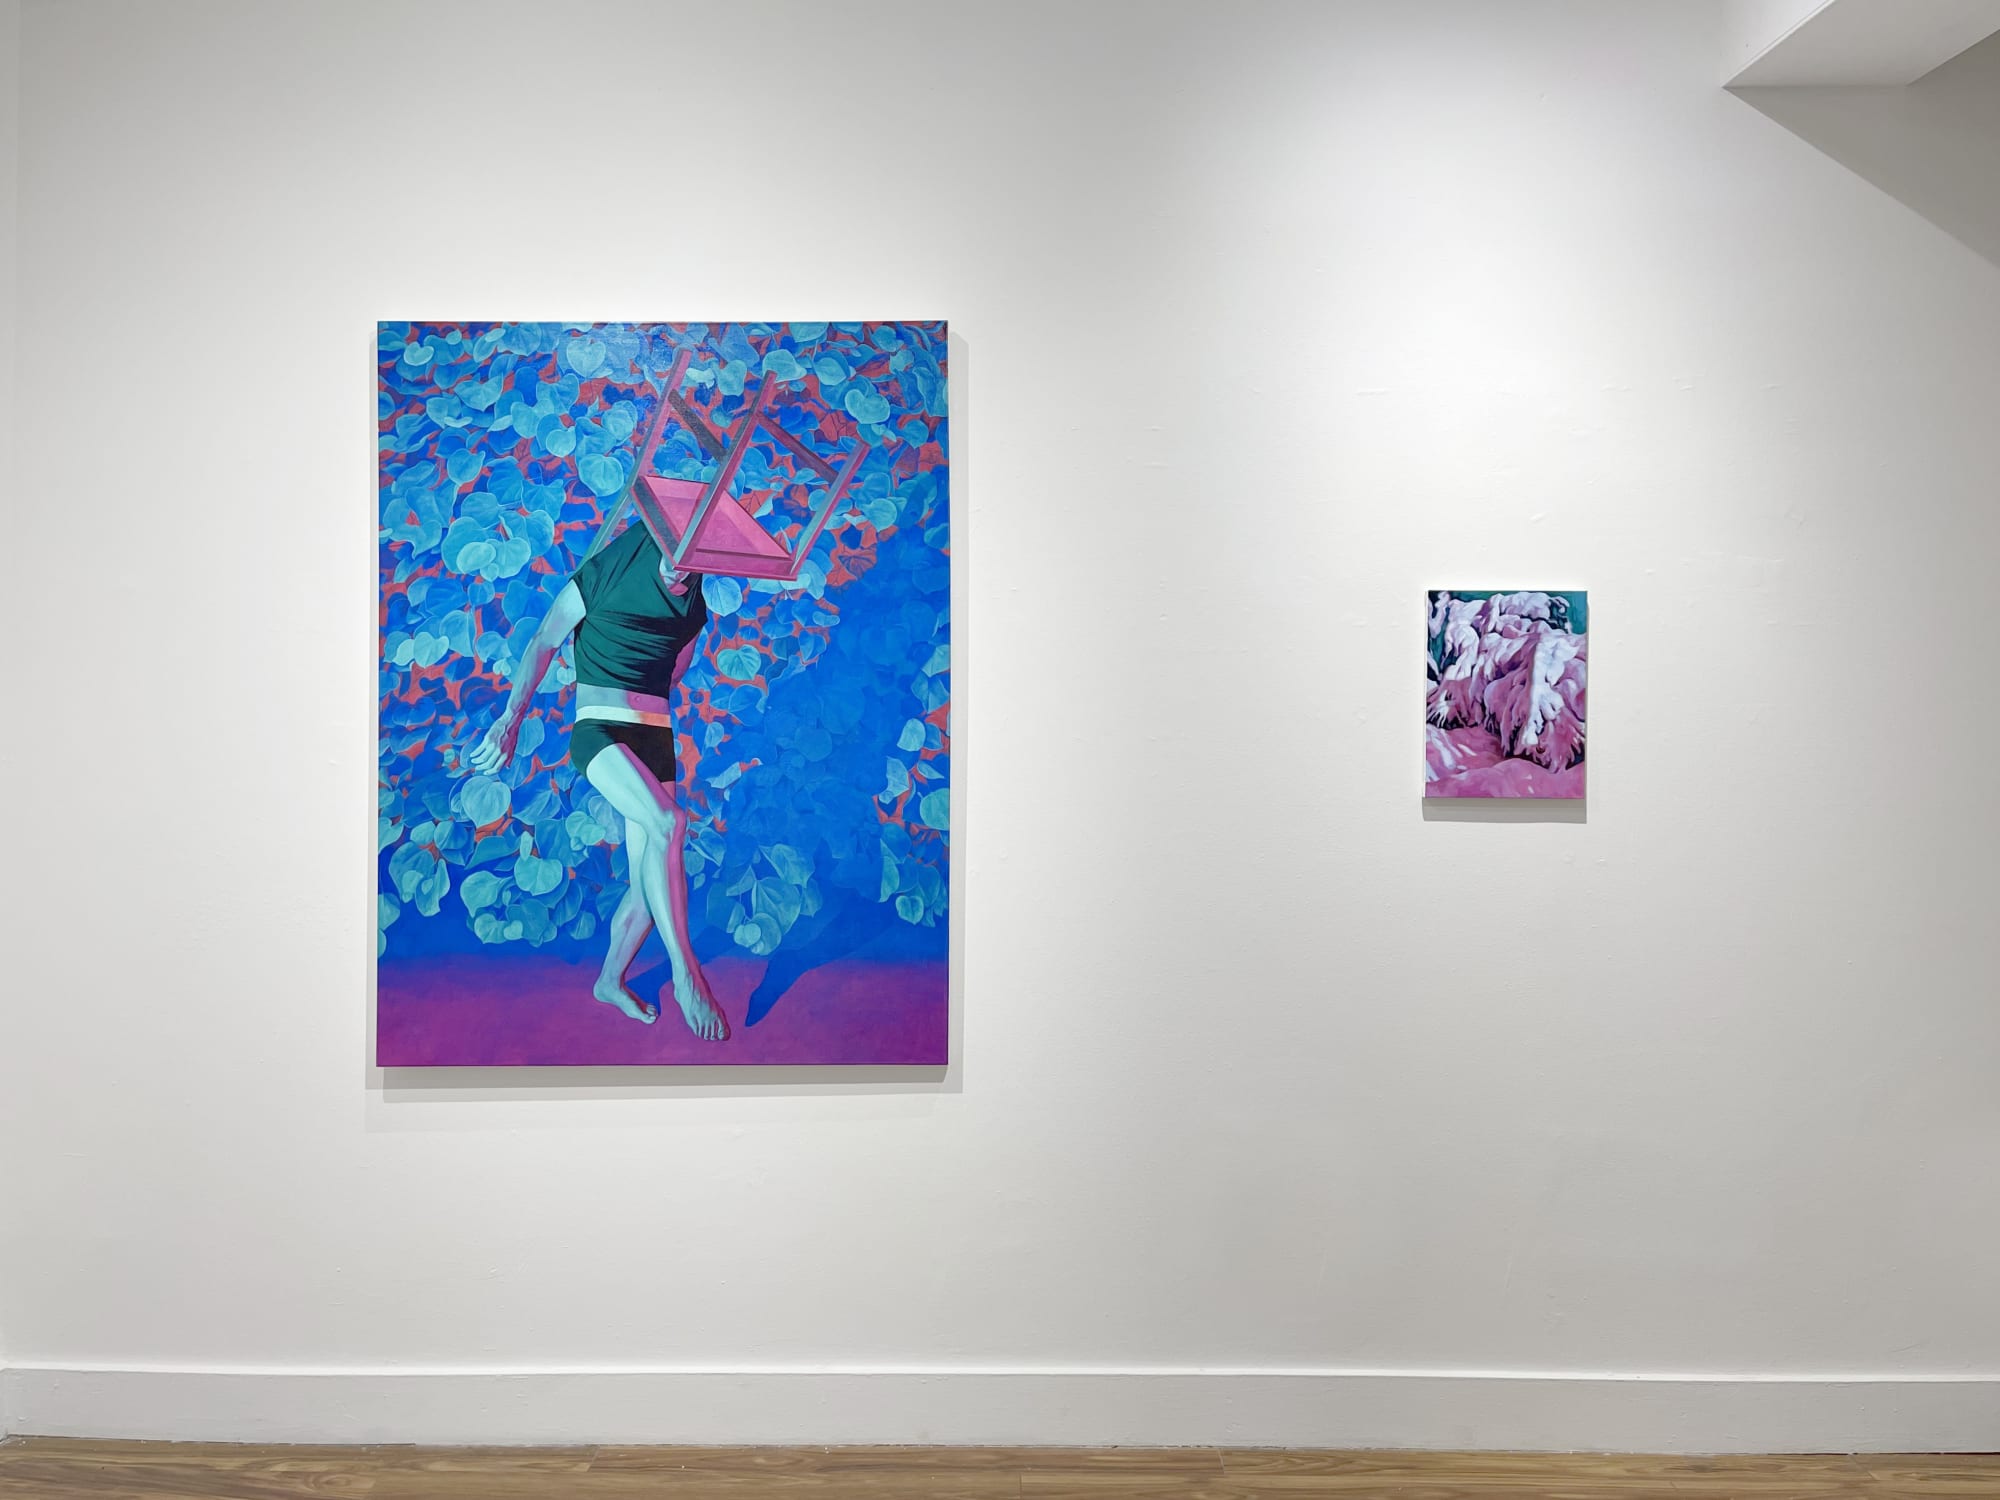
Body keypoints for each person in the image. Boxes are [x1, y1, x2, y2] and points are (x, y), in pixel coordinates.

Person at [468, 520, 728, 1041]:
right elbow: (545, 639)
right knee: (668, 824)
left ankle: (609, 980)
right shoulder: (609, 570)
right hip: (601, 729)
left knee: (652, 890)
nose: (678, 570)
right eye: (673, 555)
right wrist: (511, 719)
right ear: (662, 539)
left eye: (691, 563)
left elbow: (675, 672)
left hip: (656, 737)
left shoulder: (695, 604)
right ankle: (687, 975)